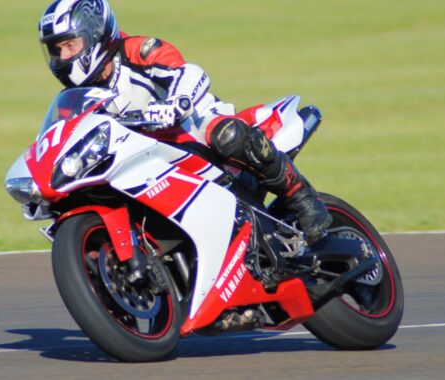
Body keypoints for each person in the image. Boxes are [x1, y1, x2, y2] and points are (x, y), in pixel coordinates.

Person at [38, 0, 332, 244]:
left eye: (69, 45)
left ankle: (303, 199)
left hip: (194, 129)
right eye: (56, 50)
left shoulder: (135, 51)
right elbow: (64, 136)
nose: (63, 57)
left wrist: (175, 105)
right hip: (148, 157)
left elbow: (190, 73)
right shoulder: (76, 97)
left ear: (94, 35)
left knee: (225, 135)